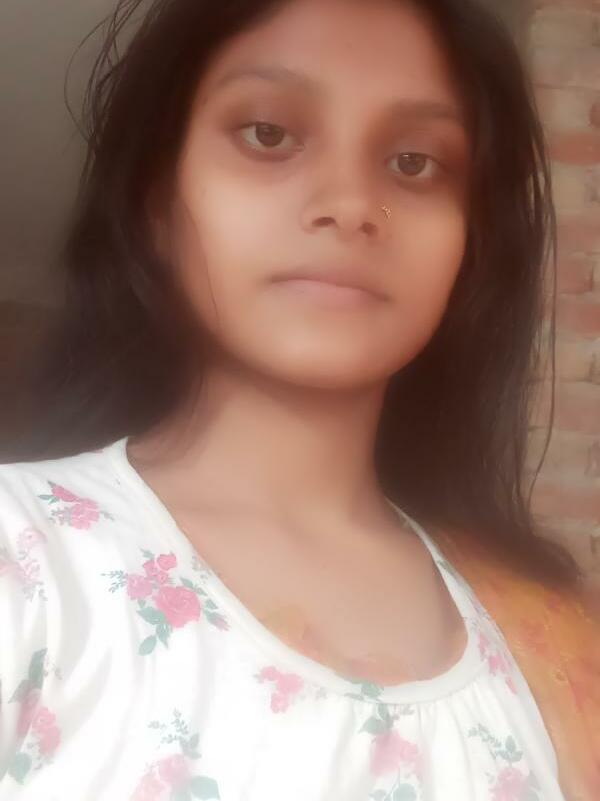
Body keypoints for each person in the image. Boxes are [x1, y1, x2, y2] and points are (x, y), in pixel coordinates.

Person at [0, 0, 597, 799]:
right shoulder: (24, 558)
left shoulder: (548, 636)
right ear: (156, 203)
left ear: (468, 245)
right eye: (268, 134)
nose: (350, 204)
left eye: (414, 161)